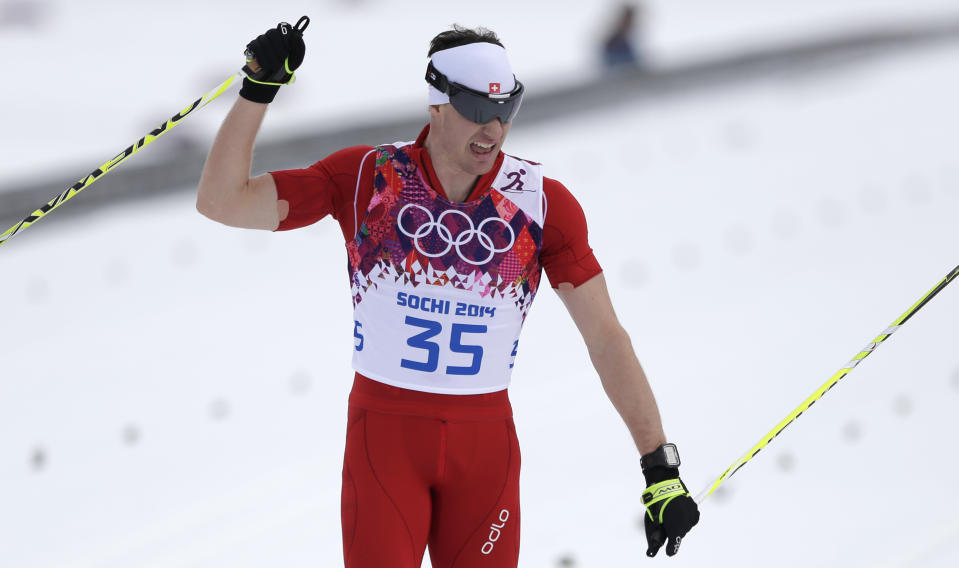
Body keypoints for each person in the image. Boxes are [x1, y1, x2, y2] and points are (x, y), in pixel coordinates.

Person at [196, 19, 700, 568]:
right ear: (437, 104)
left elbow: (606, 337)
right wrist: (256, 92)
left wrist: (660, 466)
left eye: (506, 108)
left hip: (484, 453)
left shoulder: (540, 206)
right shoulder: (368, 178)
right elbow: (222, 201)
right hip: (385, 444)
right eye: (478, 111)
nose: (494, 128)